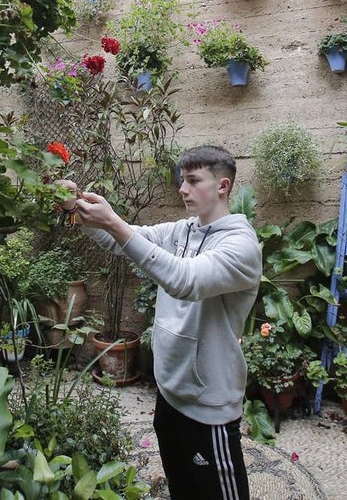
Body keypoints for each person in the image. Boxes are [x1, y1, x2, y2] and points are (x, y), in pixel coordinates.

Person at [60, 145, 261, 500]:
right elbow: (119, 241)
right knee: (182, 490)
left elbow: (185, 281)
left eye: (193, 180)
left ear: (223, 186)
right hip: (169, 394)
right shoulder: (182, 231)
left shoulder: (240, 245)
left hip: (208, 405)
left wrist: (114, 221)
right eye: (182, 180)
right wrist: (75, 208)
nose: (182, 189)